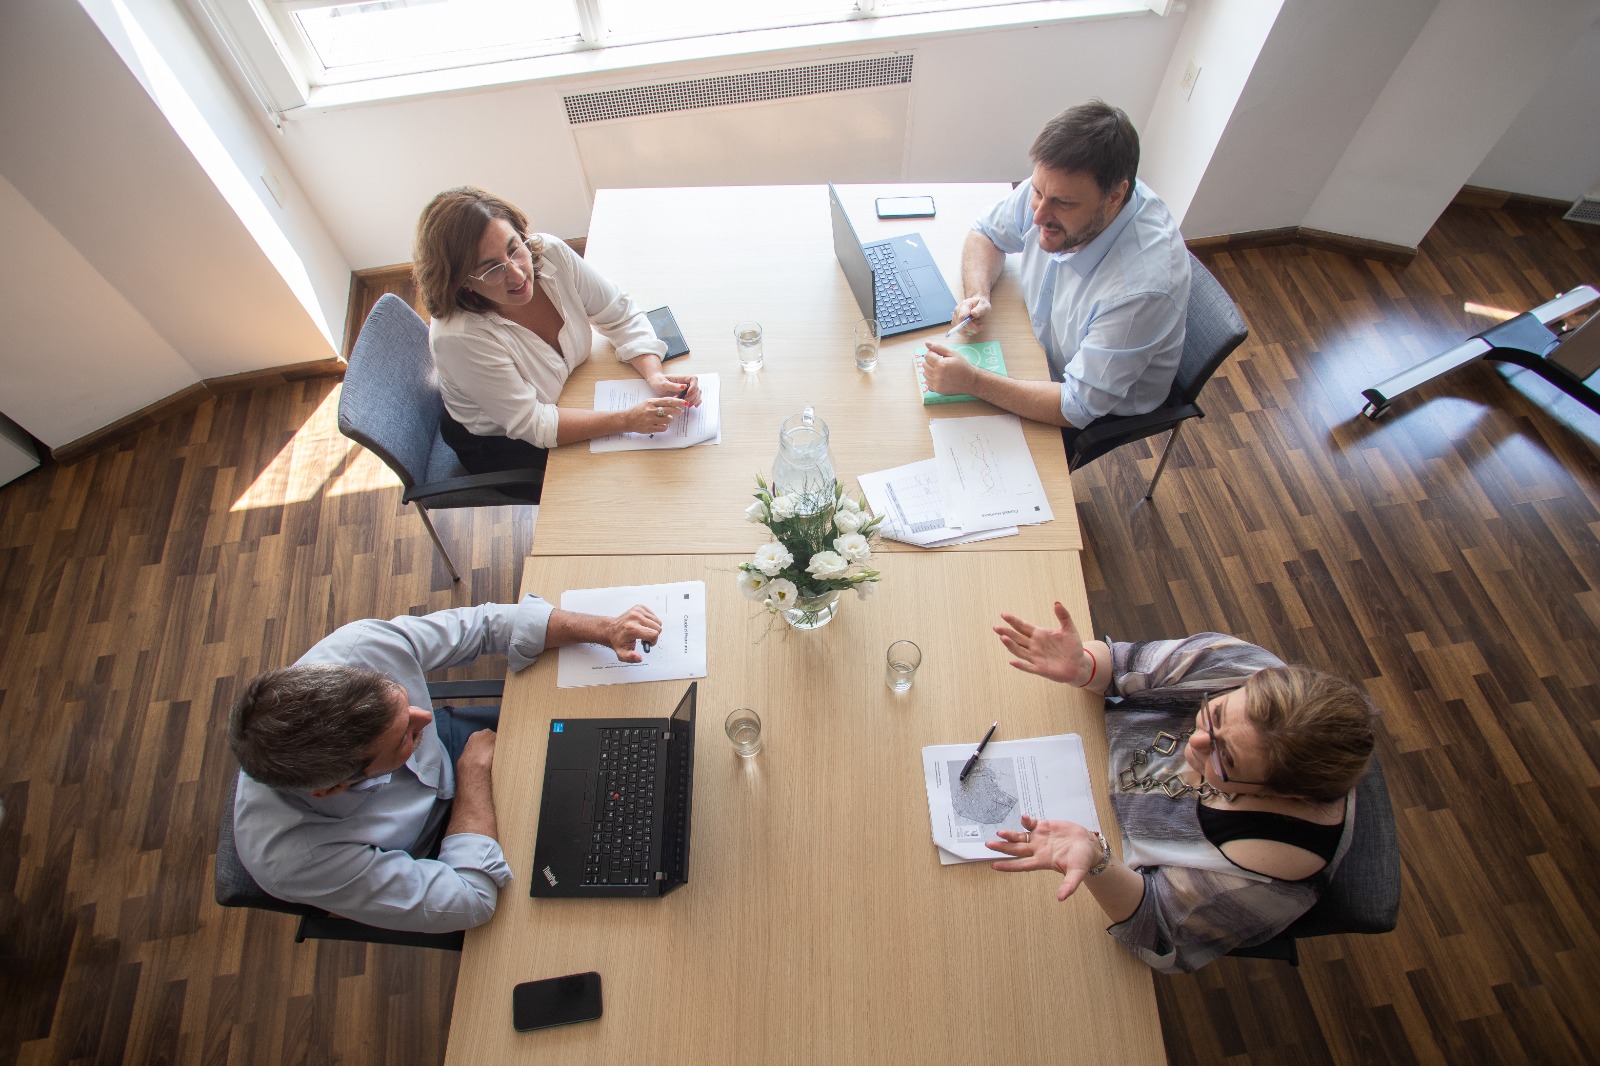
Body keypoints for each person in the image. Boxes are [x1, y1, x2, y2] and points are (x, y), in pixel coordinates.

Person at [228, 594, 660, 933]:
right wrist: (472, 774)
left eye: (402, 699)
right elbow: (470, 900)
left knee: (627, 743)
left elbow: (484, 625)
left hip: (462, 749)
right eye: (404, 736)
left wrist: (604, 627)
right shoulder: (295, 860)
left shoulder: (357, 647)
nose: (427, 714)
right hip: (433, 849)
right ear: (333, 787)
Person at [984, 602, 1375, 973]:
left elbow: (1155, 931)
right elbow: (1124, 666)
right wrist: (1084, 667)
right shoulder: (1238, 665)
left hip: (1108, 848)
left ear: (1282, 795)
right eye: (1216, 712)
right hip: (1089, 754)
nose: (1197, 743)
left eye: (1227, 759)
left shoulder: (1261, 875)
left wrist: (1097, 860)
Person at [920, 101, 1191, 446]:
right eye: (1036, 192)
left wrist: (972, 382)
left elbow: (1076, 406)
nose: (1037, 216)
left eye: (1063, 203)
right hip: (1037, 346)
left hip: (1092, 405)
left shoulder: (1141, 290)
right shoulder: (1056, 185)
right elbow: (985, 233)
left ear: (1116, 195)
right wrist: (979, 294)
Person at [413, 186, 702, 499]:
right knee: (618, 487)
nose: (516, 274)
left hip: (563, 398)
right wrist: (627, 419)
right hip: (505, 441)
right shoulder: (459, 338)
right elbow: (533, 423)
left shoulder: (549, 254)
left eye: (514, 248)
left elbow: (619, 313)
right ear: (462, 280)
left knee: (661, 464)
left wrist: (653, 374)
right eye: (492, 268)